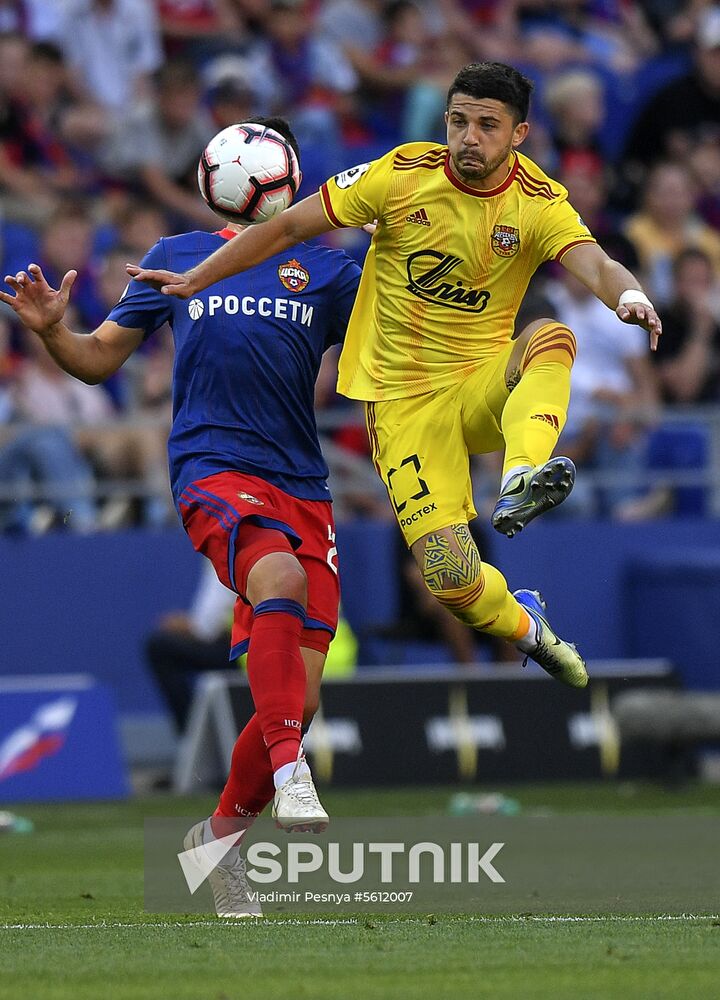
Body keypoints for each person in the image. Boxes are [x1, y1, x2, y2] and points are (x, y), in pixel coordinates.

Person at [127, 61, 663, 692]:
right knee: (451, 580)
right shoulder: (402, 174)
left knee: (550, 337)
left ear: (518, 134)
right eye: (459, 120)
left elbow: (597, 266)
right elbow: (290, 225)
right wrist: (198, 278)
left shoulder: (539, 203)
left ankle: (522, 474)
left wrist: (631, 298)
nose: (469, 137)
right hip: (404, 408)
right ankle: (530, 627)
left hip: (480, 383)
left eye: (487, 125)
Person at [0, 116, 362, 918]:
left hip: (302, 480)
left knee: (295, 694)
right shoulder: (176, 257)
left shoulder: (331, 272)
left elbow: (372, 367)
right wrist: (57, 331)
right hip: (213, 466)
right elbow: (96, 361)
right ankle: (292, 767)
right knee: (275, 579)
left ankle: (219, 837)